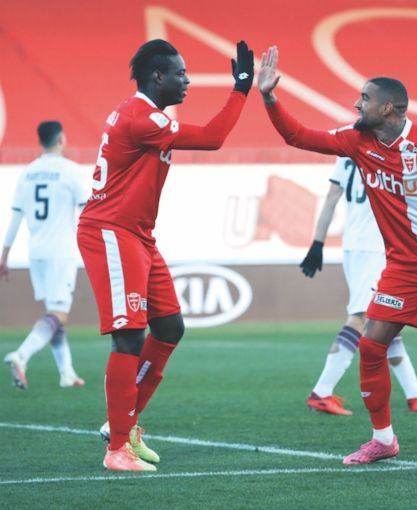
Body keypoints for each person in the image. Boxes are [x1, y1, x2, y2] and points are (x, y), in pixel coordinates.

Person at [258, 47, 417, 467]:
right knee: (370, 345)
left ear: (387, 108)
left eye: (363, 98)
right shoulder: (357, 140)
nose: (355, 104)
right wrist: (271, 98)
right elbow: (298, 137)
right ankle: (383, 439)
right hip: (403, 264)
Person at [78, 39, 255, 472]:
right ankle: (117, 447)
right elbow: (213, 138)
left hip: (138, 235)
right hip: (112, 233)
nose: (187, 80)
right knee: (129, 336)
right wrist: (242, 88)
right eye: (180, 73)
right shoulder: (142, 117)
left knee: (170, 327)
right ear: (157, 76)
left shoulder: (141, 113)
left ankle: (127, 424)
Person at [300, 156, 417, 415]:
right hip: (372, 246)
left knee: (385, 319)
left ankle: (415, 394)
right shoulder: (385, 145)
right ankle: (321, 392)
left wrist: (318, 243)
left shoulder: (346, 148)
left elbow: (332, 196)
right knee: (360, 317)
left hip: (362, 245)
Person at [1, 121, 87, 390]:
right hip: (60, 252)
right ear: (61, 138)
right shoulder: (70, 171)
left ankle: (67, 373)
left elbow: (15, 216)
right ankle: (21, 356)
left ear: (41, 141)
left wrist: (4, 255)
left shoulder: (28, 173)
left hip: (35, 252)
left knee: (54, 313)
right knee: (59, 314)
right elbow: (88, 213)